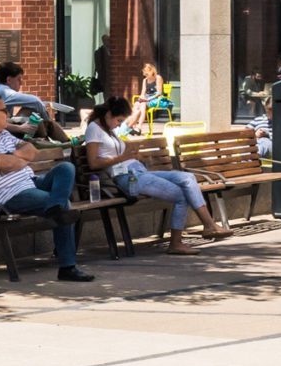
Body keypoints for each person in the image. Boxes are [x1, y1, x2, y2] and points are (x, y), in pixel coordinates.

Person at [0, 92, 93, 283]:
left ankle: (55, 209)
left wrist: (14, 158)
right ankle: (67, 267)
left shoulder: (3, 134)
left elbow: (31, 150)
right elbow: (4, 163)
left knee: (66, 168)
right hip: (9, 195)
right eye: (4, 110)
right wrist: (13, 160)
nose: (7, 114)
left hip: (30, 182)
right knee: (64, 203)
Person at [83, 96, 229, 253]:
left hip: (138, 171)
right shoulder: (94, 129)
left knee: (187, 178)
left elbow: (118, 152)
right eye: (118, 120)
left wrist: (136, 155)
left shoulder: (109, 130)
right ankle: (176, 243)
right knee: (181, 195)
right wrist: (122, 157)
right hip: (127, 178)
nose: (119, 125)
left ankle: (208, 225)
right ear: (108, 114)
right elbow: (94, 163)